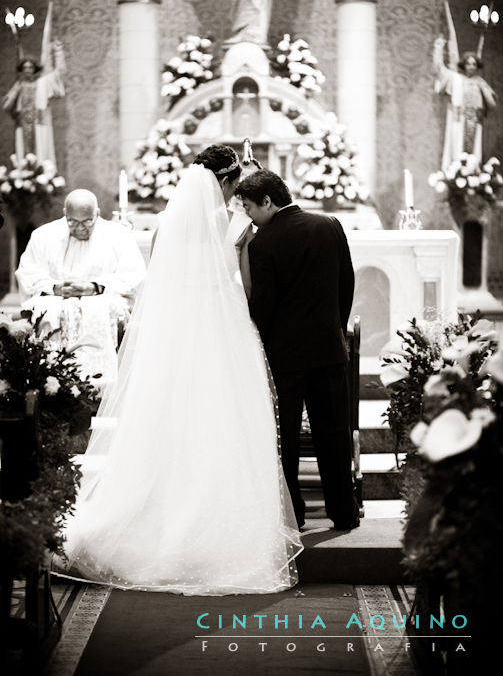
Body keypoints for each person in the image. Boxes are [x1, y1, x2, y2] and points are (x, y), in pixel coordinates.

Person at [60, 145, 302, 594]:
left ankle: (154, 515)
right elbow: (238, 282)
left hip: (174, 332)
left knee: (169, 418)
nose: (234, 194)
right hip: (218, 328)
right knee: (220, 418)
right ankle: (210, 522)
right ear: (225, 181)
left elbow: (160, 280)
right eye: (233, 185)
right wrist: (243, 245)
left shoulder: (168, 221)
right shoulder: (221, 223)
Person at [236, 169, 359, 531]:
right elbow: (346, 283)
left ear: (268, 202)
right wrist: (336, 329)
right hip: (328, 349)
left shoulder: (263, 243)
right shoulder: (329, 225)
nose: (248, 216)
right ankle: (344, 511)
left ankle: (295, 514)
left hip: (285, 357)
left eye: (248, 208)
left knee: (284, 438)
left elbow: (264, 305)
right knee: (334, 432)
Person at [15, 189, 146, 383]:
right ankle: (50, 380)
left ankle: (100, 383)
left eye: (87, 221)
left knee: (100, 310)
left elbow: (134, 275)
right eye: (72, 222)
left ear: (97, 214)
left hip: (104, 298)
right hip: (55, 299)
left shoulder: (118, 235)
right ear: (64, 214)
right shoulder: (43, 235)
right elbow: (27, 272)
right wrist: (54, 287)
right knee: (49, 312)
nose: (80, 228)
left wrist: (95, 287)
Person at [433, 37, 497, 170]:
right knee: (457, 154)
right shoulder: (455, 79)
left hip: (475, 122)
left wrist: (482, 87)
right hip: (459, 122)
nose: (471, 67)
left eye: (474, 64)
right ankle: (457, 177)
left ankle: (474, 178)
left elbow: (491, 104)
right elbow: (439, 70)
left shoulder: (480, 81)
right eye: (468, 64)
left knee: (474, 157)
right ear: (464, 65)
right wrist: (438, 50)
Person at [2, 42, 65, 169]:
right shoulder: (19, 85)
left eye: (30, 67)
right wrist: (16, 92)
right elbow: (7, 106)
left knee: (41, 158)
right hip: (23, 127)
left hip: (39, 126)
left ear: (35, 68)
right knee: (22, 159)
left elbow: (59, 73)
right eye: (24, 68)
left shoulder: (43, 82)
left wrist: (58, 53)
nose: (27, 70)